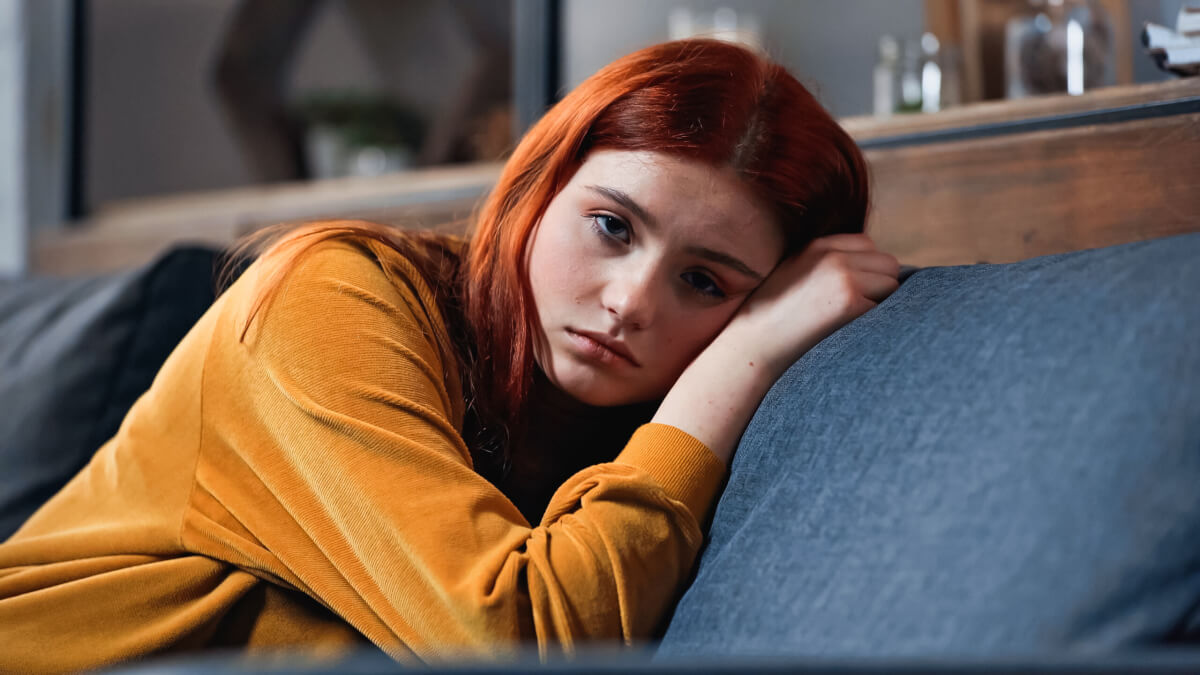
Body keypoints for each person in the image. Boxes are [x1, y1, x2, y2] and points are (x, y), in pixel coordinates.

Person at [0, 39, 898, 670]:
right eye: (612, 226)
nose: (631, 301)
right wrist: (738, 355)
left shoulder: (595, 415)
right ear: (540, 186)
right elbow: (510, 639)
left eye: (705, 283)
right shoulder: (332, 296)